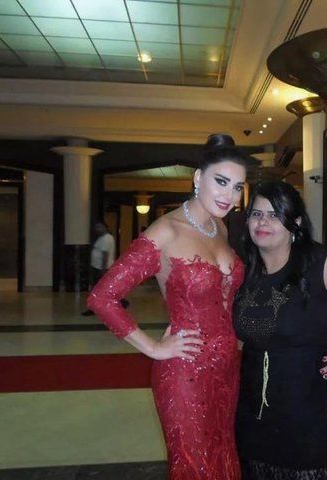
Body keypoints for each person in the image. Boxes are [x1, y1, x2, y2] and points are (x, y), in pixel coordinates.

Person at [87, 133, 250, 480]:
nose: (230, 195)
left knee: (222, 454)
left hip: (227, 368)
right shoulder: (166, 232)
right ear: (198, 178)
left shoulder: (219, 227)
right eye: (221, 182)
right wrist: (153, 348)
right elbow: (102, 297)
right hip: (184, 370)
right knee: (193, 464)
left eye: (238, 187)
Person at [234, 181, 327, 479]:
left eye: (275, 215)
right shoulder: (248, 268)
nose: (263, 222)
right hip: (257, 409)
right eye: (256, 214)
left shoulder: (321, 262)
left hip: (313, 409)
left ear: (295, 222)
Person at [81, 221, 125, 316]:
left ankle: (94, 308)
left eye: (100, 227)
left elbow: (105, 255)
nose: (97, 229)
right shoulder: (102, 238)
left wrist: (103, 269)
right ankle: (121, 301)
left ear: (105, 227)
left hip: (100, 268)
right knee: (102, 288)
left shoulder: (106, 238)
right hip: (97, 266)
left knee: (97, 289)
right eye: (96, 227)